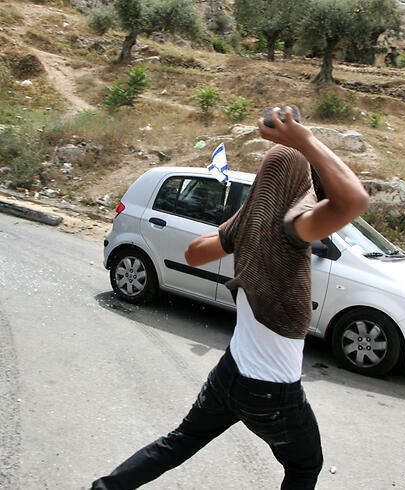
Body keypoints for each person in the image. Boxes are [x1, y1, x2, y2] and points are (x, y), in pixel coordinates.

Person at [91, 107, 369, 490]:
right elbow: (354, 201)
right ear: (299, 187)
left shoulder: (245, 228)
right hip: (272, 389)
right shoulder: (294, 228)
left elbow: (193, 254)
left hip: (231, 373)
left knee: (179, 443)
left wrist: (248, 217)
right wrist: (303, 140)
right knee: (305, 468)